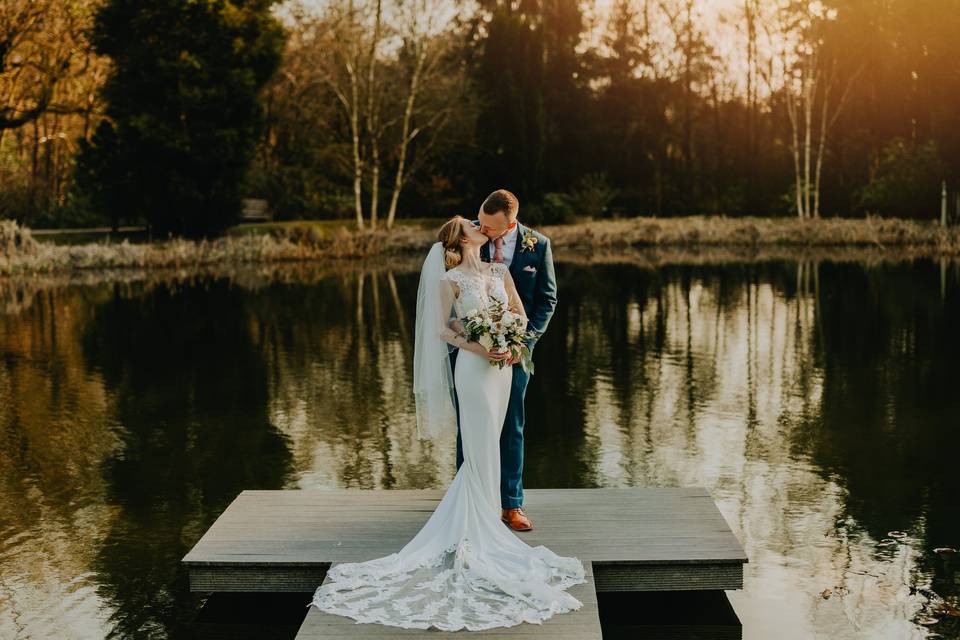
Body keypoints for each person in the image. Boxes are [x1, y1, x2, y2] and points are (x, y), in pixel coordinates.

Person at [310, 214, 583, 632]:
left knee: (495, 439)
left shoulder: (499, 269)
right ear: (459, 238)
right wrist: (480, 344)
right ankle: (482, 526)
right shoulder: (448, 280)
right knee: (475, 441)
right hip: (473, 369)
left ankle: (493, 516)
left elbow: (521, 313)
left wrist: (510, 340)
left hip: (504, 367)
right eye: (471, 224)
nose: (478, 226)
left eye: (481, 222)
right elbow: (443, 332)